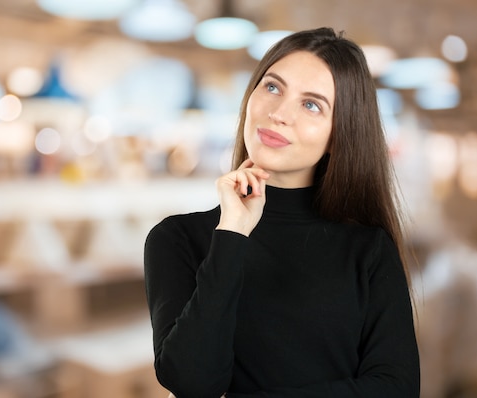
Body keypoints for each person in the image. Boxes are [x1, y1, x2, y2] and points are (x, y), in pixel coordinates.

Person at [143, 27, 420, 397]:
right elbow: (193, 382)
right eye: (272, 87)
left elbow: (396, 388)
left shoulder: (368, 249)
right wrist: (231, 235)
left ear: (339, 136)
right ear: (251, 95)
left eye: (311, 105)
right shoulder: (177, 240)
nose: (278, 114)